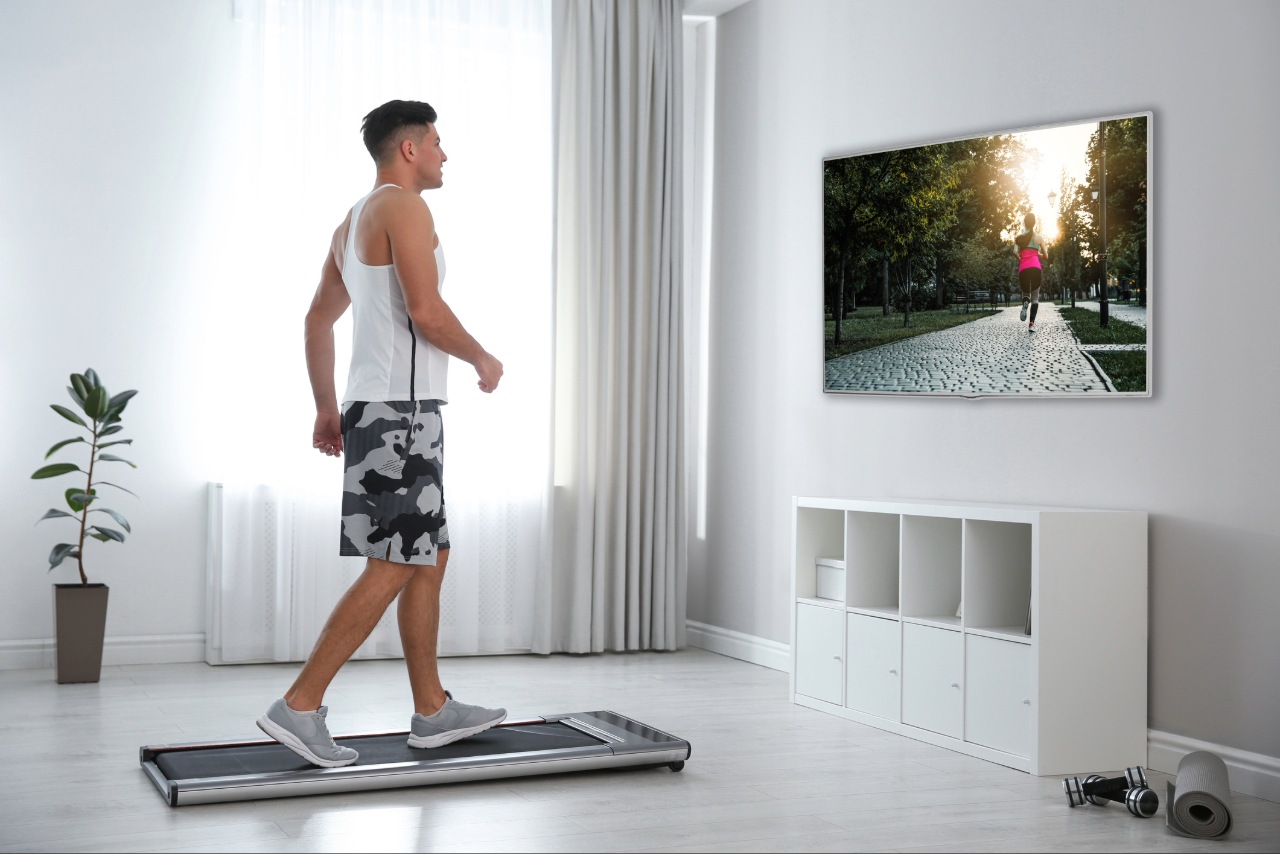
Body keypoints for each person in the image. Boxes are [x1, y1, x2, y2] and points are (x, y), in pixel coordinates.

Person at [255, 100, 507, 768]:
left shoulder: (351, 222)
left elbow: (316, 320)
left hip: (379, 409)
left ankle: (432, 711)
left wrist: (326, 408)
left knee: (429, 554)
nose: (445, 154)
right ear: (409, 150)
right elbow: (425, 313)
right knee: (396, 561)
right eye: (437, 142)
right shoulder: (405, 207)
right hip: (405, 412)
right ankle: (300, 705)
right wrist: (483, 357)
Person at [1014, 212, 1047, 332]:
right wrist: (1037, 254)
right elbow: (1046, 256)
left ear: (1024, 222)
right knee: (1035, 298)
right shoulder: (1039, 238)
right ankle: (1032, 324)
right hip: (1036, 268)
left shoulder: (1019, 238)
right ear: (1034, 223)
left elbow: (1015, 252)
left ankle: (1025, 303)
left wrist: (1021, 260)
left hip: (1024, 268)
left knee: (1026, 295)